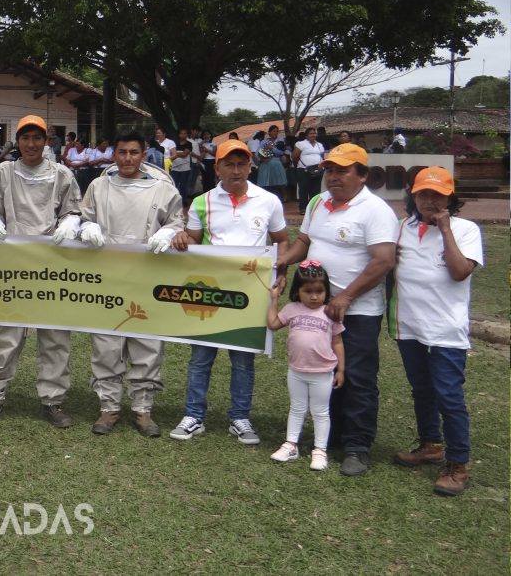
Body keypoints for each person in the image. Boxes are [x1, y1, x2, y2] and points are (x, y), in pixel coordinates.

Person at [278, 142, 397, 476]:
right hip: (318, 310)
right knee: (325, 373)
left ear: (362, 175)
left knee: (357, 377)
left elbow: (383, 261)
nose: (333, 177)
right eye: (329, 170)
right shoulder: (318, 203)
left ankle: (357, 447)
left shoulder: (375, 210)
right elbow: (303, 243)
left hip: (356, 313)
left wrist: (345, 299)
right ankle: (334, 436)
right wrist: (279, 262)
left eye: (342, 171)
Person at [169, 139, 289, 445]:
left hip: (251, 294)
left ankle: (240, 418)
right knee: (200, 357)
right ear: (217, 167)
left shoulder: (268, 201)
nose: (236, 171)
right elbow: (194, 240)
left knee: (243, 360)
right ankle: (194, 415)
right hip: (211, 292)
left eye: (242, 164)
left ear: (251, 166)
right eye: (229, 164)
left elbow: (281, 240)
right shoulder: (201, 202)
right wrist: (184, 238)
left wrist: (281, 271)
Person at [0, 114, 82, 429]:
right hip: (13, 269)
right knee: (6, 337)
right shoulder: (5, 172)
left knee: (55, 338)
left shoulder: (61, 174)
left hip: (52, 269)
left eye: (37, 138)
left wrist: (71, 221)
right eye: (25, 138)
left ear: (46, 141)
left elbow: (73, 208)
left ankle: (53, 401)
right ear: (17, 142)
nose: (31, 144)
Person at [78, 130, 184, 437]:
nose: (127, 158)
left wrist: (169, 232)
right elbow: (83, 217)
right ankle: (108, 407)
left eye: (134, 152)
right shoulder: (99, 186)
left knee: (147, 344)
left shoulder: (163, 188)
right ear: (114, 153)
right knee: (107, 346)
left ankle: (143, 409)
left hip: (148, 278)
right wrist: (86, 228)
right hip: (107, 278)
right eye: (122, 152)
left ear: (144, 153)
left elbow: (178, 222)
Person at [392, 167, 482, 496]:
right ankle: (430, 445)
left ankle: (458, 464)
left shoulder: (465, 229)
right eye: (423, 194)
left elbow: (460, 272)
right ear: (412, 196)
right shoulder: (402, 228)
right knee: (422, 390)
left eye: (437, 195)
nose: (430, 200)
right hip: (410, 326)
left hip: (446, 330)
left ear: (449, 198)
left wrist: (445, 230)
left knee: (449, 396)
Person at [266, 261, 346, 471]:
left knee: (320, 412)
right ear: (297, 291)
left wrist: (341, 370)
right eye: (308, 291)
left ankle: (320, 450)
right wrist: (274, 300)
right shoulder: (292, 309)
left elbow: (337, 341)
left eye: (319, 291)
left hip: (322, 373)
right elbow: (273, 324)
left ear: (326, 291)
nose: (313, 296)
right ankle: (291, 445)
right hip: (296, 371)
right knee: (297, 408)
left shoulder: (329, 312)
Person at [292, 127, 326, 214]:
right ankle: (303, 208)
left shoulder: (319, 145)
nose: (313, 135)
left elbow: (322, 156)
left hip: (317, 170)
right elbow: (294, 157)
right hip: (304, 170)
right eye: (311, 133)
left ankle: (314, 208)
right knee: (304, 189)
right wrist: (300, 166)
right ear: (306, 135)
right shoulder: (301, 144)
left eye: (314, 133)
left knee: (316, 190)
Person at [256, 125, 288, 201]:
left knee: (280, 182)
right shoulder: (264, 141)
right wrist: (264, 155)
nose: (275, 133)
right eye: (273, 131)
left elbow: (281, 152)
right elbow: (257, 153)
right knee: (265, 182)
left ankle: (284, 197)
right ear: (269, 132)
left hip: (276, 162)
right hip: (266, 162)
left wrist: (272, 148)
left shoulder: (280, 141)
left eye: (277, 131)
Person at [169, 128, 192, 199]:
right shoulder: (174, 143)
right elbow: (170, 153)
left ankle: (183, 201)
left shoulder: (189, 144)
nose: (183, 135)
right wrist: (179, 153)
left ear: (187, 135)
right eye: (182, 133)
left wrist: (175, 153)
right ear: (179, 135)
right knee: (173, 184)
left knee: (183, 186)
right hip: (174, 168)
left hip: (185, 168)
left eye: (185, 133)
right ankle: (174, 200)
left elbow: (185, 154)